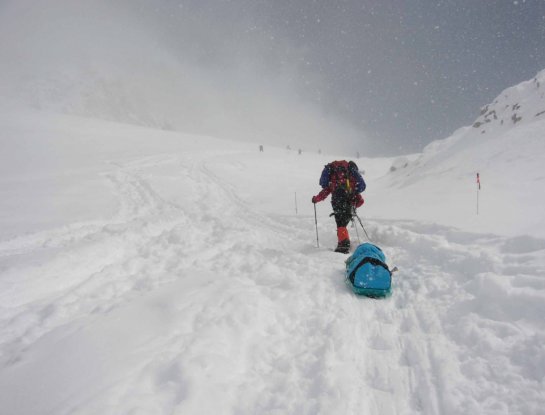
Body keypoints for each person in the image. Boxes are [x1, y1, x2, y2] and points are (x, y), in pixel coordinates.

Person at [312, 160, 365, 253]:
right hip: (347, 200)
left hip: (337, 200)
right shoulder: (350, 178)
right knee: (342, 223)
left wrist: (316, 199)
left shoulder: (334, 178)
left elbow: (326, 191)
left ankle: (343, 244)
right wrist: (354, 204)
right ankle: (343, 243)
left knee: (340, 223)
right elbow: (360, 200)